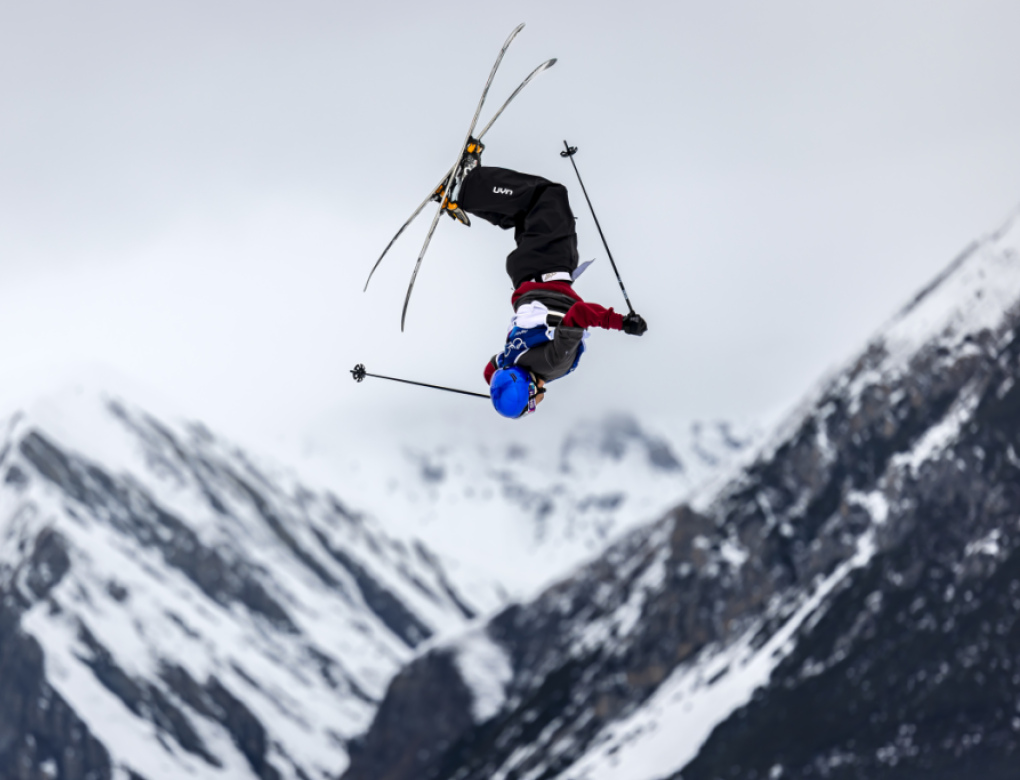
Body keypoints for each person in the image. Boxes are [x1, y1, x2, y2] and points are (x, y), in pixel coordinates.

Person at [432, 139, 648, 419]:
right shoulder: (510, 363)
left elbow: (580, 314)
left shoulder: (553, 362)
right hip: (525, 277)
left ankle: (465, 189)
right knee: (527, 212)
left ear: (530, 390)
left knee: (549, 196)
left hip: (549, 266)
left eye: (530, 404)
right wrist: (498, 387)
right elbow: (490, 371)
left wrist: (621, 323)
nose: (536, 405)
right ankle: (463, 196)